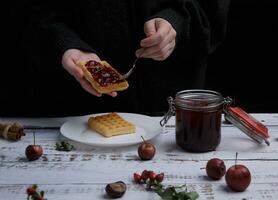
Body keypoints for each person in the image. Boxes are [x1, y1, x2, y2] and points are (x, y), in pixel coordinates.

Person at [2, 0, 231, 116]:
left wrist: (177, 21)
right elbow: (29, 11)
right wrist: (65, 43)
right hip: (70, 114)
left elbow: (211, 6)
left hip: (169, 115)